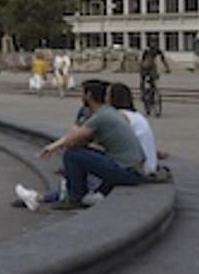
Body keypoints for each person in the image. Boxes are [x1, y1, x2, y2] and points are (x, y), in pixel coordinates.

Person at [37, 80, 147, 209]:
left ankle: (74, 198)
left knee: (72, 155)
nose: (81, 97)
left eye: (82, 93)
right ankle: (78, 193)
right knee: (80, 152)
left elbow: (73, 137)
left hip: (127, 172)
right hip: (134, 168)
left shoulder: (101, 116)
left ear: (88, 95)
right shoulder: (110, 112)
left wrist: (51, 147)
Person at [106, 82, 162, 178]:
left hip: (139, 168)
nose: (105, 98)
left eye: (107, 95)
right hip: (149, 165)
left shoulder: (120, 116)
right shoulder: (136, 115)